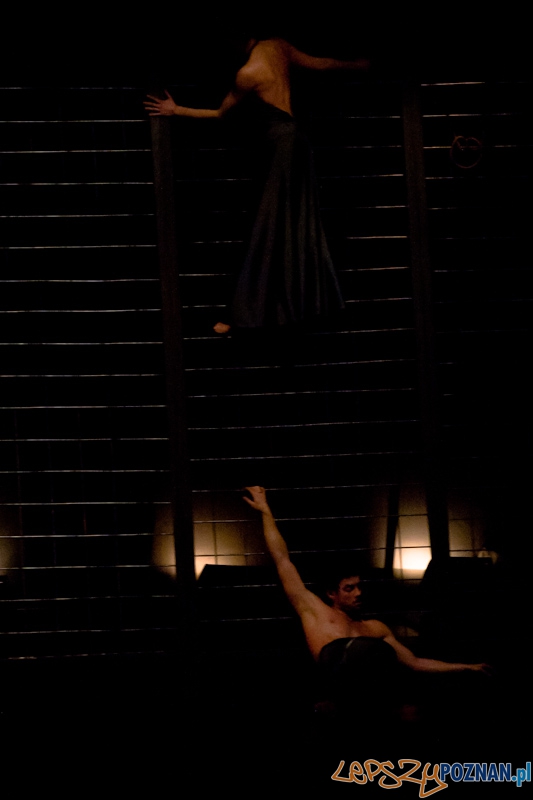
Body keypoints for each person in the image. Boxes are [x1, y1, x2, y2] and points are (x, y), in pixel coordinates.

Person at [144, 37, 370, 333]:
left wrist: (177, 110)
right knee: (293, 223)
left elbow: (221, 114)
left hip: (281, 147)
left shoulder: (248, 73)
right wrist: (357, 66)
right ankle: (300, 305)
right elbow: (322, 64)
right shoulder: (278, 47)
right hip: (297, 142)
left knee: (268, 223)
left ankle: (245, 313)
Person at [243, 485, 491, 714]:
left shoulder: (375, 628)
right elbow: (282, 559)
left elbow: (415, 662)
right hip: (339, 686)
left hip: (372, 695)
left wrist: (466, 667)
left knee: (395, 678)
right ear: (332, 594)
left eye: (359, 587)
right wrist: (265, 511)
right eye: (349, 589)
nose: (358, 593)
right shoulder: (316, 612)